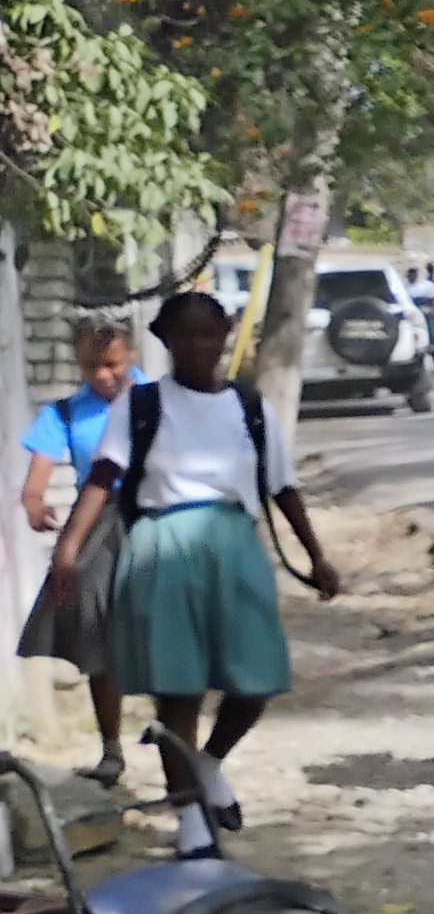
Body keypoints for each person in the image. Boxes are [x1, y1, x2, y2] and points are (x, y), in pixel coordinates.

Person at [47, 292, 341, 823]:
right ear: (166, 341)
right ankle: (190, 823)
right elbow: (103, 475)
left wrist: (317, 556)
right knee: (178, 691)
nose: (199, 344)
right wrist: (68, 547)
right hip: (162, 546)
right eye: (186, 334)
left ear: (227, 333)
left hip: (235, 544)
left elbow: (282, 485)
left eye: (210, 332)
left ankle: (209, 764)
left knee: (256, 679)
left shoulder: (249, 406)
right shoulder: (140, 405)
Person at [17, 324, 149, 782]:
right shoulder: (67, 412)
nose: (105, 374)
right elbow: (36, 479)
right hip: (96, 520)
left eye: (113, 363)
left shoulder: (159, 397)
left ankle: (178, 731)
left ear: (131, 355)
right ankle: (112, 748)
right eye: (93, 366)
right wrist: (34, 503)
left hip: (154, 513)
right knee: (95, 629)